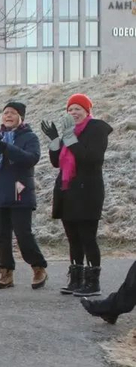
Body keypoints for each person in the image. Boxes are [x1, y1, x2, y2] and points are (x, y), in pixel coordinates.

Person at [0, 102, 48, 290]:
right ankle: (6, 272)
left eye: (12, 113)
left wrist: (8, 148)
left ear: (21, 117)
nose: (8, 116)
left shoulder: (29, 137)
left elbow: (31, 158)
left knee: (23, 234)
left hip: (19, 190)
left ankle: (38, 267)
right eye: (5, 113)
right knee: (2, 236)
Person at [41, 93, 112, 297]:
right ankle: (76, 279)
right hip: (67, 191)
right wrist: (55, 140)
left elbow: (90, 158)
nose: (73, 113)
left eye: (78, 109)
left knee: (87, 237)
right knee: (73, 238)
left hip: (88, 191)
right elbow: (56, 162)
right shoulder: (68, 133)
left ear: (87, 111)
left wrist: (69, 137)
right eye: (70, 109)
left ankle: (93, 283)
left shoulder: (97, 128)